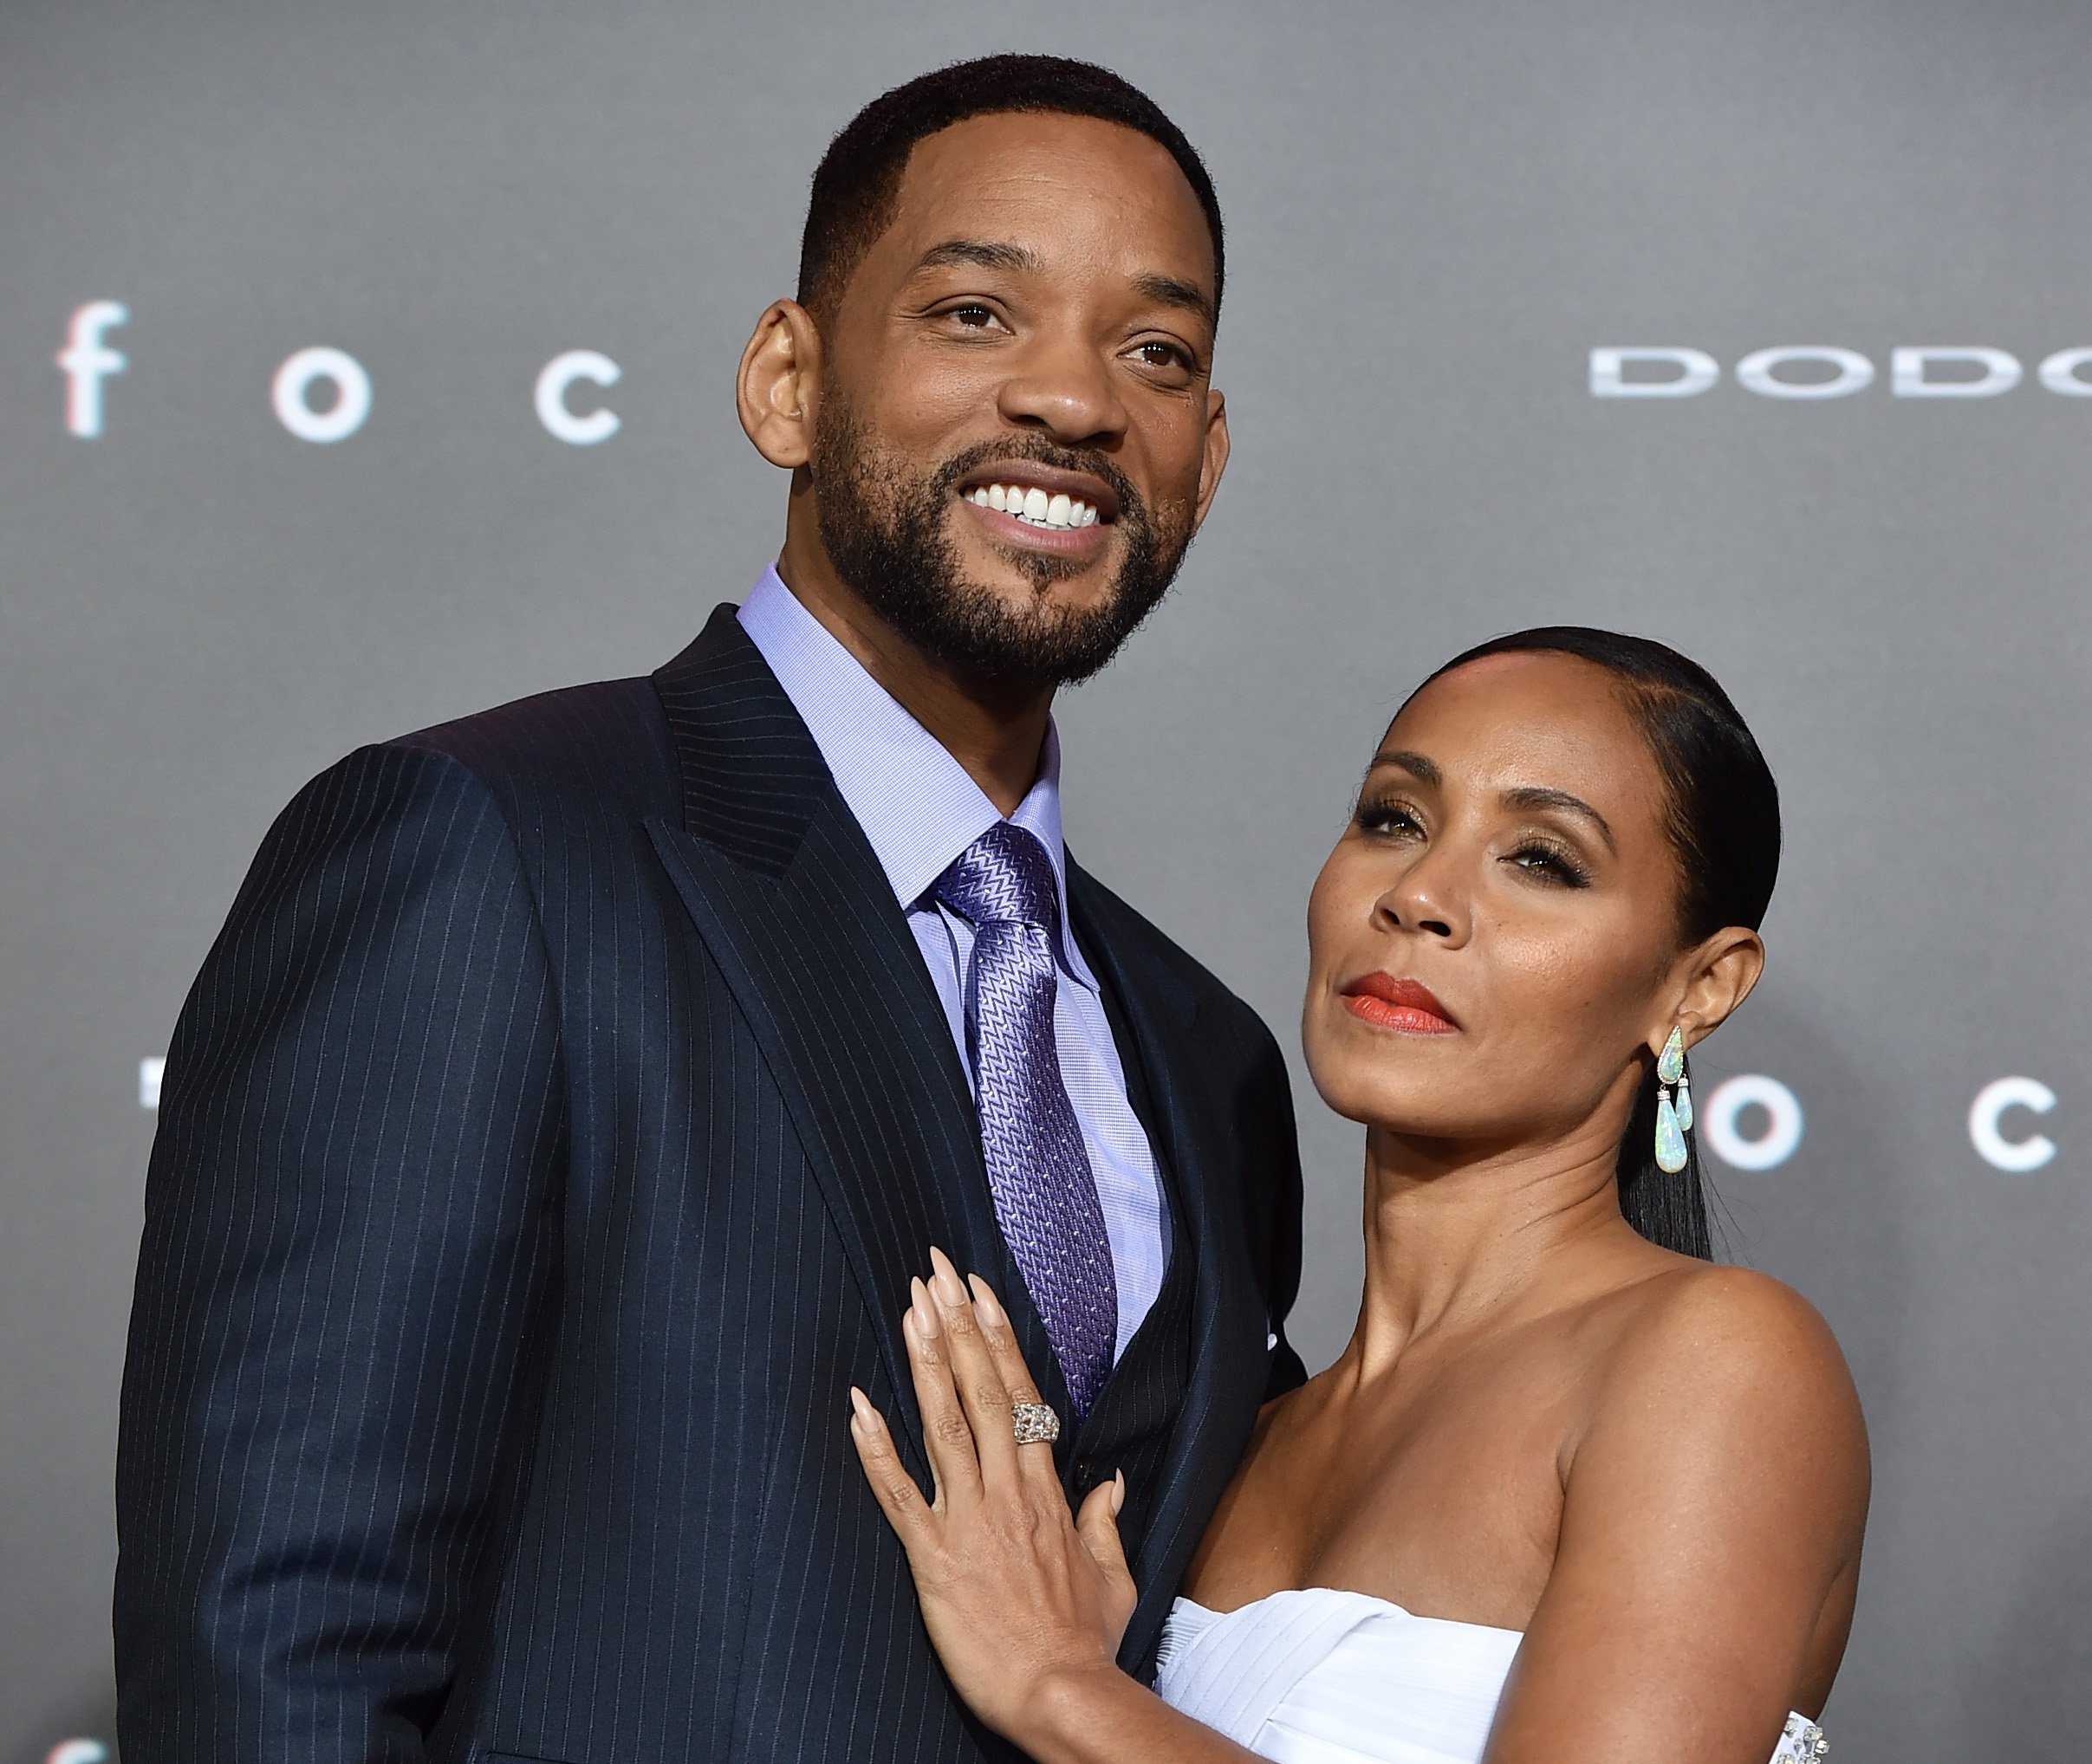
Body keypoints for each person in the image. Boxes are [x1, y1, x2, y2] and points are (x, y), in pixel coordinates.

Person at [114, 55, 1307, 1764]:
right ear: (786, 383)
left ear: (1204, 453)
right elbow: (273, 1658)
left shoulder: (1207, 1056)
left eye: (1156, 353)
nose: (1075, 402)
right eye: (976, 313)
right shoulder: (485, 854)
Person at [848, 630, 1872, 1764]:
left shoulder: (1716, 1362)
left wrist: (1063, 1691)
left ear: (1697, 987)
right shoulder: (1238, 1433)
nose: (1420, 896)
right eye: (1393, 818)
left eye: (1540, 859)